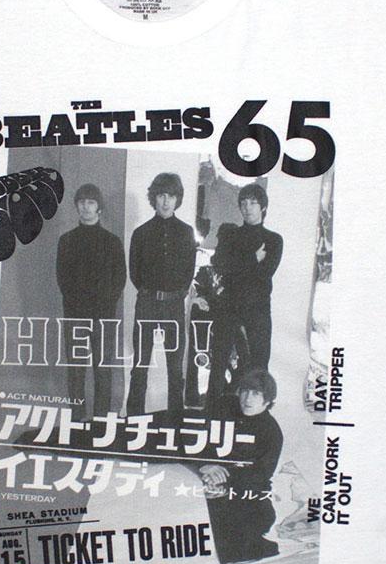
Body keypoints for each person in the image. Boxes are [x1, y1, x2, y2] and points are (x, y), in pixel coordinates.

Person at [206, 182, 284, 410]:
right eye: (244, 203)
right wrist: (252, 258)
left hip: (258, 311)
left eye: (253, 203)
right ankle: (211, 414)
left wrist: (237, 265)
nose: (247, 207)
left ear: (263, 207)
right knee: (218, 365)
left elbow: (264, 273)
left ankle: (256, 416)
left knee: (258, 367)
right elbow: (220, 265)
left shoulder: (274, 240)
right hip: (228, 309)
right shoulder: (230, 234)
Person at [126, 172, 197, 415]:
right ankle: (134, 420)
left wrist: (175, 295)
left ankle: (175, 422)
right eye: (161, 195)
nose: (166, 201)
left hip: (174, 305)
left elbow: (189, 271)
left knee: (175, 368)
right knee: (140, 365)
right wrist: (150, 294)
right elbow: (134, 272)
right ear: (154, 198)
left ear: (178, 199)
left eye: (171, 196)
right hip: (147, 303)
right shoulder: (141, 233)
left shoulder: (186, 232)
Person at [55, 183, 126, 416]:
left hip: (103, 317)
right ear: (77, 206)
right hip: (75, 315)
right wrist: (79, 306)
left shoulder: (112, 242)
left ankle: (101, 421)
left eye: (91, 202)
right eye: (82, 202)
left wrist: (103, 306)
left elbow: (120, 279)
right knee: (76, 371)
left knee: (103, 371)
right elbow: (63, 280)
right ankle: (77, 420)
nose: (86, 207)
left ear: (99, 208)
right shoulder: (66, 241)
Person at [200, 369, 284, 564]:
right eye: (245, 391)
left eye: (256, 394)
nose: (247, 399)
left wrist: (224, 483)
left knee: (252, 524)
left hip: (243, 491)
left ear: (268, 400)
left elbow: (261, 475)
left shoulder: (272, 432)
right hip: (209, 479)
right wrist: (204, 464)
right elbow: (196, 433)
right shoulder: (225, 406)